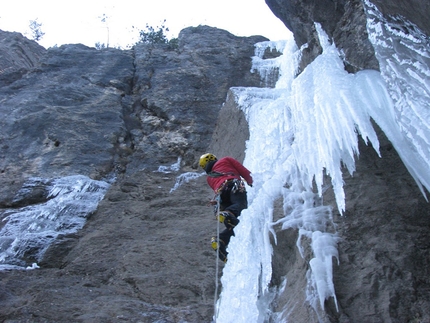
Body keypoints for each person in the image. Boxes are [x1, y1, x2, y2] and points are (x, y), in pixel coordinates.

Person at [199, 153, 253, 262]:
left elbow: (218, 188)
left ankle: (221, 240)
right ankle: (227, 213)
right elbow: (244, 172)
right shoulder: (226, 160)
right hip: (233, 185)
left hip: (221, 196)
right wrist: (253, 182)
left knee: (236, 223)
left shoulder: (209, 178)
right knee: (240, 205)